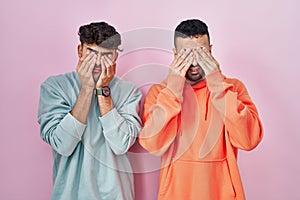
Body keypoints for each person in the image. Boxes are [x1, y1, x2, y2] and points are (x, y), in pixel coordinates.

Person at [139, 19, 263, 200]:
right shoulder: (160, 93)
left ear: (211, 51)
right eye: (186, 55)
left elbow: (249, 140)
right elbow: (153, 145)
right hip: (176, 194)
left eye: (201, 53)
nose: (194, 63)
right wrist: (173, 90)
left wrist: (217, 86)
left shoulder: (233, 88)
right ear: (175, 55)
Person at [38, 22, 142, 200]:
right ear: (80, 50)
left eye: (107, 54)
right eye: (91, 52)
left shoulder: (129, 92)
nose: (98, 62)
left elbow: (120, 145)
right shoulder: (54, 87)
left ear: (116, 56)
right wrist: (87, 88)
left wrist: (102, 90)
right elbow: (63, 144)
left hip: (116, 195)